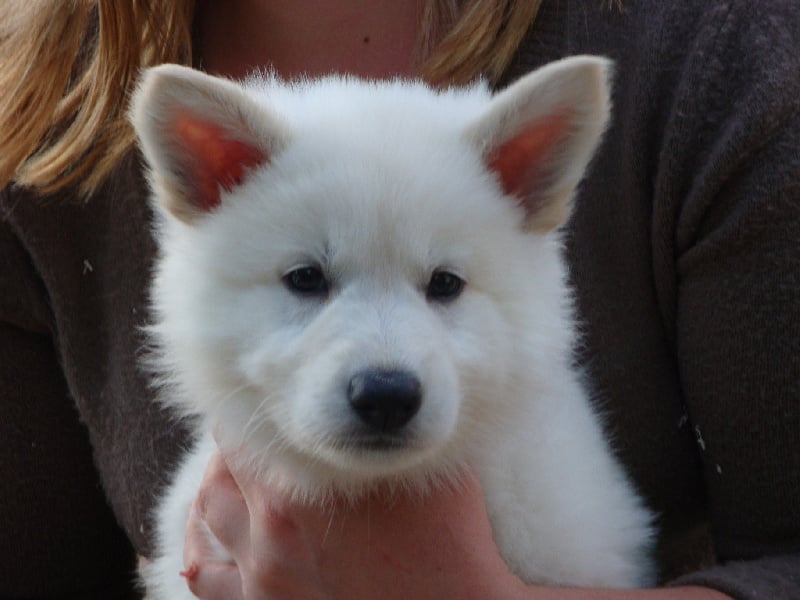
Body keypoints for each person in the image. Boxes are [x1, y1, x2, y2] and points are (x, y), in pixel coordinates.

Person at [1, 1, 798, 598]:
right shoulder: (35, 113)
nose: (385, 367)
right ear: (211, 175)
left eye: (443, 285)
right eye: (308, 280)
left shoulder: (721, 52)